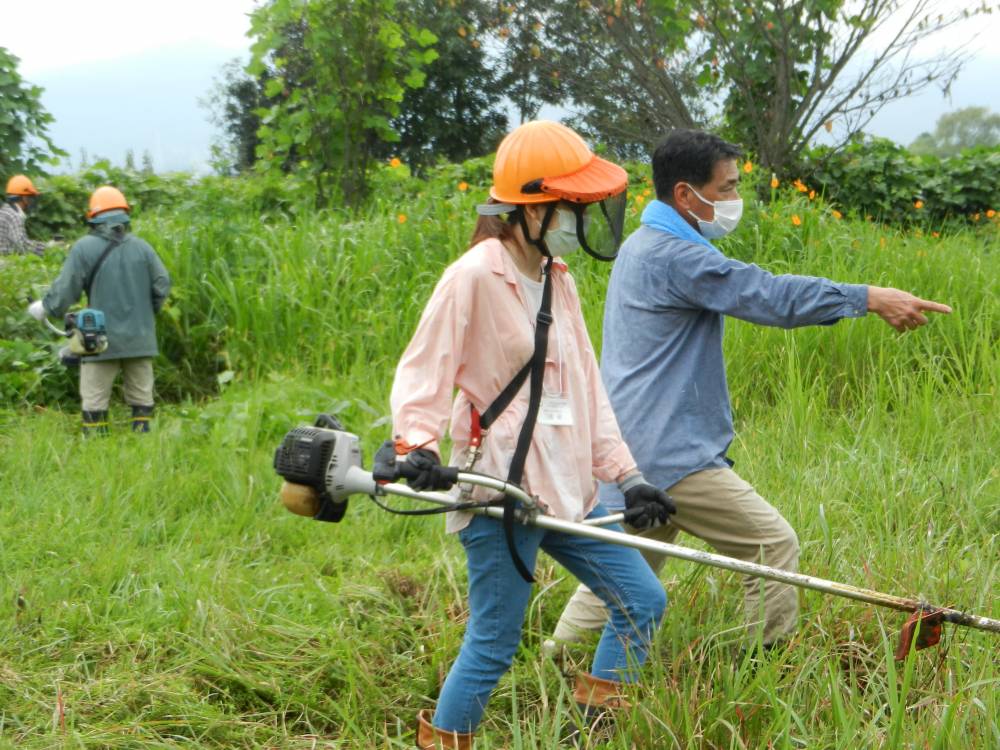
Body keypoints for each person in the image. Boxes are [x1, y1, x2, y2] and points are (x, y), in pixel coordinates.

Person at [549, 129, 952, 656]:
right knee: (771, 544)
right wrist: (868, 297)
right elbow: (765, 294)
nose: (736, 200)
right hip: (669, 452)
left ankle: (558, 657)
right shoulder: (674, 256)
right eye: (728, 187)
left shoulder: (643, 245)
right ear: (685, 196)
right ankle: (762, 667)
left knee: (628, 564)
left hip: (632, 447)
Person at [388, 120, 675, 748]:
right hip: (500, 492)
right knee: (494, 642)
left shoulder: (559, 277)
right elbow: (423, 372)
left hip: (570, 486)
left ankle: (593, 733)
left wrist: (629, 477)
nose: (582, 215)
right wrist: (417, 447)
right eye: (573, 205)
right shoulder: (473, 276)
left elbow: (586, 389)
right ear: (533, 207)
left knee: (641, 601)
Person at [27, 186, 171, 435]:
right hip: (140, 338)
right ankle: (142, 446)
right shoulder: (143, 248)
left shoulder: (84, 248)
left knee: (94, 400)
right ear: (124, 215)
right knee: (142, 400)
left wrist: (46, 308)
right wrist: (145, 315)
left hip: (98, 340)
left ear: (93, 217)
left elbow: (66, 289)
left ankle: (96, 449)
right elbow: (162, 284)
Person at [0, 175, 45, 256]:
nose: (31, 201)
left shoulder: (3, 211)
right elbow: (22, 246)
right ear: (24, 198)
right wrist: (47, 247)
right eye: (31, 197)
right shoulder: (14, 216)